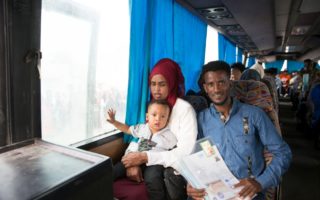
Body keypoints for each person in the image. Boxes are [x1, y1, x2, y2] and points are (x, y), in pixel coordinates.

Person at [187, 61, 292, 200]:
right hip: (213, 190)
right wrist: (191, 182)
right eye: (211, 84)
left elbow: (283, 153)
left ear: (230, 83)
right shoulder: (200, 120)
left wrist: (260, 182)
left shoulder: (255, 115)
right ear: (205, 88)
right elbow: (195, 158)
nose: (216, 89)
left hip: (247, 191)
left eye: (221, 82)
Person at [119, 58, 198, 200]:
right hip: (146, 156)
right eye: (153, 84)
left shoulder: (185, 109)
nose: (156, 90)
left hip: (170, 167)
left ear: (172, 83)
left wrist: (145, 157)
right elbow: (141, 137)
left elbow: (185, 152)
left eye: (162, 84)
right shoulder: (151, 106)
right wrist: (131, 159)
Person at [107, 99, 176, 199]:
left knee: (153, 179)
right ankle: (97, 186)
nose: (158, 119)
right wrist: (114, 122)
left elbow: (176, 151)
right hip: (136, 157)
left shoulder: (169, 135)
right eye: (154, 115)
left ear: (168, 119)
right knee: (116, 169)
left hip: (154, 163)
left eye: (163, 116)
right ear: (147, 117)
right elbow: (127, 129)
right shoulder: (143, 128)